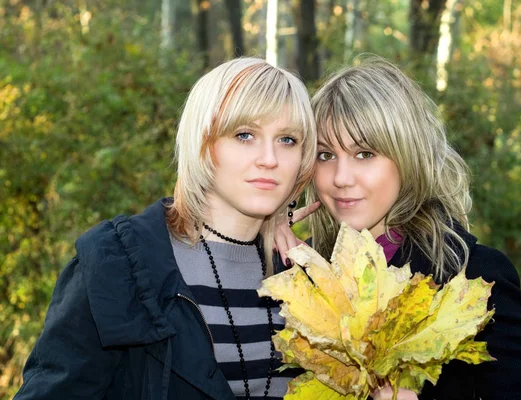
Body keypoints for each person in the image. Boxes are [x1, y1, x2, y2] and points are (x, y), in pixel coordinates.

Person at [15, 57, 318, 400]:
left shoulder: (313, 278)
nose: (269, 158)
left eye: (287, 140)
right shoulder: (117, 263)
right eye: (244, 135)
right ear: (203, 143)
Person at [275, 57, 521, 399]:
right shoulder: (305, 277)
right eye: (325, 155)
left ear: (406, 156)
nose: (341, 179)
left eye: (364, 153)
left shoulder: (472, 278)